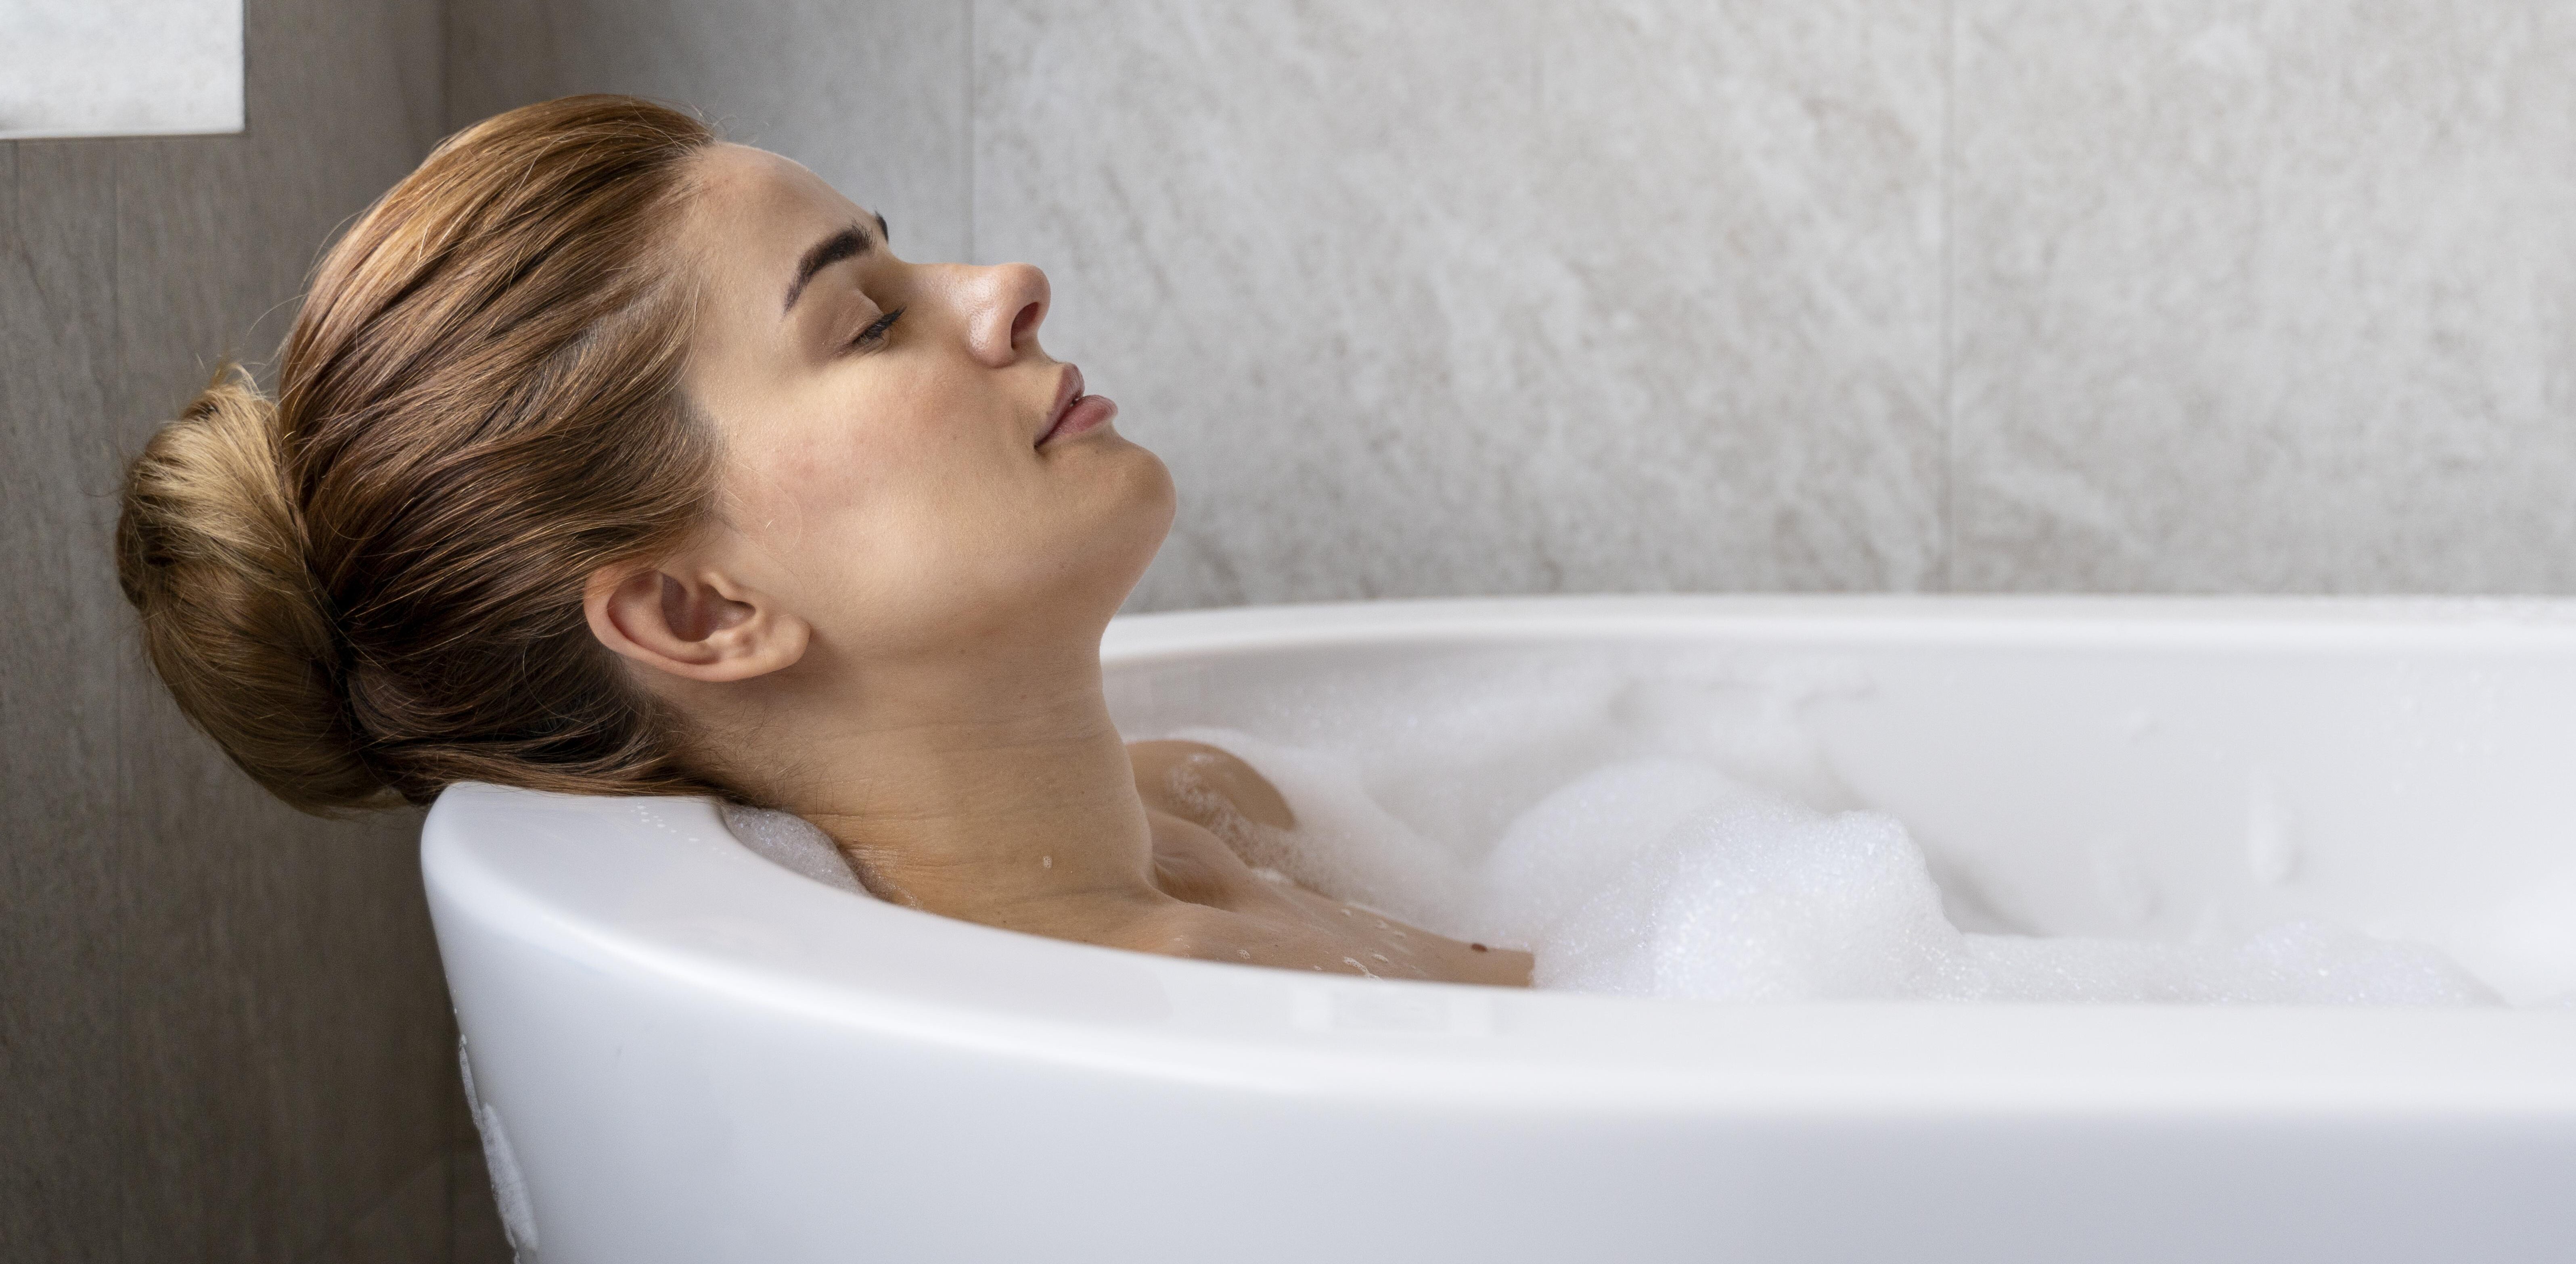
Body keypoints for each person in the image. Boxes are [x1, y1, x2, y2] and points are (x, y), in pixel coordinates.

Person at [113, 95, 1527, 988]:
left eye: (904, 258)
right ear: (697, 614)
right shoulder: (1184, 1020)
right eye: (868, 320)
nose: (1007, 287)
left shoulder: (1214, 804)